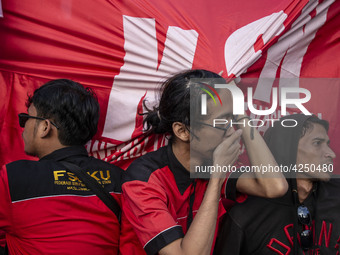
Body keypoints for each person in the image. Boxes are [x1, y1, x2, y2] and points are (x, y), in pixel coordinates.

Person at [119, 69, 288, 255]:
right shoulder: (143, 179)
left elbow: (275, 186)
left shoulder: (212, 163)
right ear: (183, 131)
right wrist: (216, 178)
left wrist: (241, 115)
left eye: (232, 119)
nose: (233, 132)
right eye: (222, 122)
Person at [0, 79, 123, 254]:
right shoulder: (120, 180)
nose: (23, 126)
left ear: (45, 127)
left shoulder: (13, 179)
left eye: (26, 118)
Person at [214, 114, 339, 255]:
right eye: (317, 143)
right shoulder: (245, 217)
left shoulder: (336, 199)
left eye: (327, 144)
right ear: (287, 148)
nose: (331, 153)